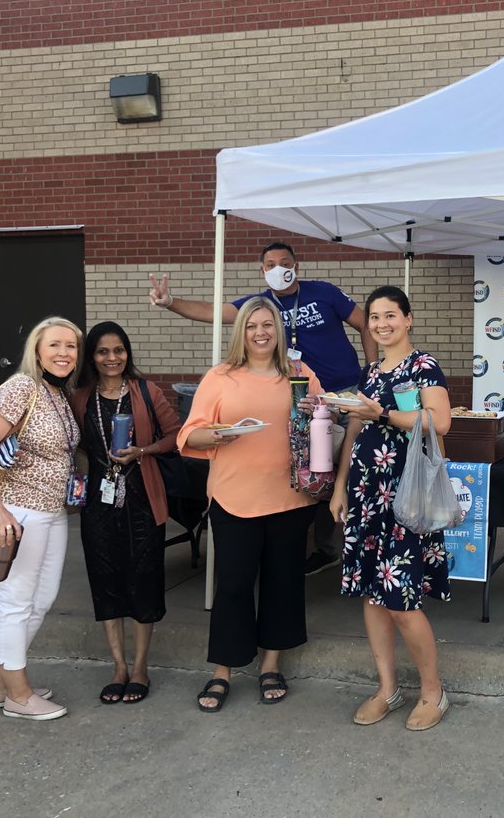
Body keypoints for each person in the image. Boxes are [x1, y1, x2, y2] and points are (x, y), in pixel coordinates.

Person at [150, 241, 376, 577]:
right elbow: (213, 311)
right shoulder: (259, 307)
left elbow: (365, 323)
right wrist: (170, 303)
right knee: (316, 469)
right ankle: (327, 547)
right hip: (301, 400)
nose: (278, 268)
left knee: (349, 468)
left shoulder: (325, 292)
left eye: (284, 262)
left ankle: (357, 548)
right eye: (270, 263)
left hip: (344, 392)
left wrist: (372, 371)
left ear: (296, 266)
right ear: (262, 270)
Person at [179, 296, 322, 713]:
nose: (261, 332)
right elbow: (190, 436)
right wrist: (220, 434)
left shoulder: (299, 373)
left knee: (283, 584)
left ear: (279, 330)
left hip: (291, 497)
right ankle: (222, 671)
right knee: (235, 586)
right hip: (234, 497)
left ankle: (270, 665)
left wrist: (319, 410)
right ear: (240, 331)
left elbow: (322, 419)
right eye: (251, 325)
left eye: (268, 325)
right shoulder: (220, 377)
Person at [329, 285, 453, 731]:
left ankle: (433, 692)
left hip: (406, 496)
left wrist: (382, 414)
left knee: (402, 600)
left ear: (408, 319)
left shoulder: (424, 366)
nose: (381, 324)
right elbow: (358, 430)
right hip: (367, 494)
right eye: (375, 317)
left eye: (390, 316)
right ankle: (387, 688)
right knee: (372, 594)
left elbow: (439, 422)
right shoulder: (372, 370)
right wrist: (341, 485)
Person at [0, 316, 84, 721]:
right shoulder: (22, 386)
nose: (63, 353)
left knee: (42, 599)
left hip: (50, 512)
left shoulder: (56, 392)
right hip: (17, 511)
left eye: (70, 346)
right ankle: (18, 695)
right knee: (16, 602)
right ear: (37, 350)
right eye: (54, 345)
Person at [70, 321, 181, 705]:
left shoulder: (146, 391)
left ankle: (140, 668)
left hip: (141, 498)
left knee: (144, 579)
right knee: (106, 580)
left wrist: (143, 451)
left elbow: (175, 436)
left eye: (119, 351)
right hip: (99, 503)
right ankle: (117, 666)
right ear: (92, 357)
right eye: (103, 352)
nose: (112, 358)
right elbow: (75, 444)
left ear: (127, 353)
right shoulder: (80, 396)